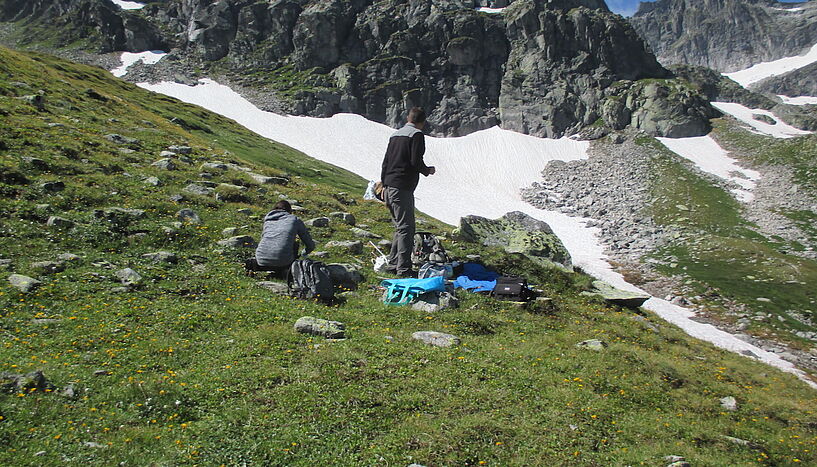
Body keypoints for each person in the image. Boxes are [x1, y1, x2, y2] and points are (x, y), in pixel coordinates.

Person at [380, 107, 436, 277]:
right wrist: (427, 170)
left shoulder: (395, 134)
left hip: (389, 185)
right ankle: (403, 268)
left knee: (400, 226)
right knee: (407, 228)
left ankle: (393, 263)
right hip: (402, 186)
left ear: (407, 118)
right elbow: (415, 160)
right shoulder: (416, 135)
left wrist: (383, 184)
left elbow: (386, 161)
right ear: (422, 122)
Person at [246, 200, 315, 277]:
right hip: (284, 263)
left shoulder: (268, 220)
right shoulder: (294, 220)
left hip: (261, 261)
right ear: (289, 211)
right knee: (295, 243)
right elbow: (310, 245)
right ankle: (286, 270)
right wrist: (303, 253)